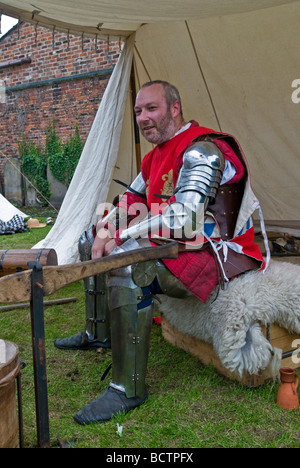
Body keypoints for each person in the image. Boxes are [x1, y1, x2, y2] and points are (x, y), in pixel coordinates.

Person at [54, 80, 265, 425]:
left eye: (151, 109)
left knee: (128, 266)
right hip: (175, 246)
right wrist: (106, 227)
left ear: (175, 108)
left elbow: (186, 218)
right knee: (89, 238)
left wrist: (120, 234)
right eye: (138, 111)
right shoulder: (154, 157)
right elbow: (132, 200)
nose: (143, 118)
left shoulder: (203, 149)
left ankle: (128, 388)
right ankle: (99, 334)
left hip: (217, 253)